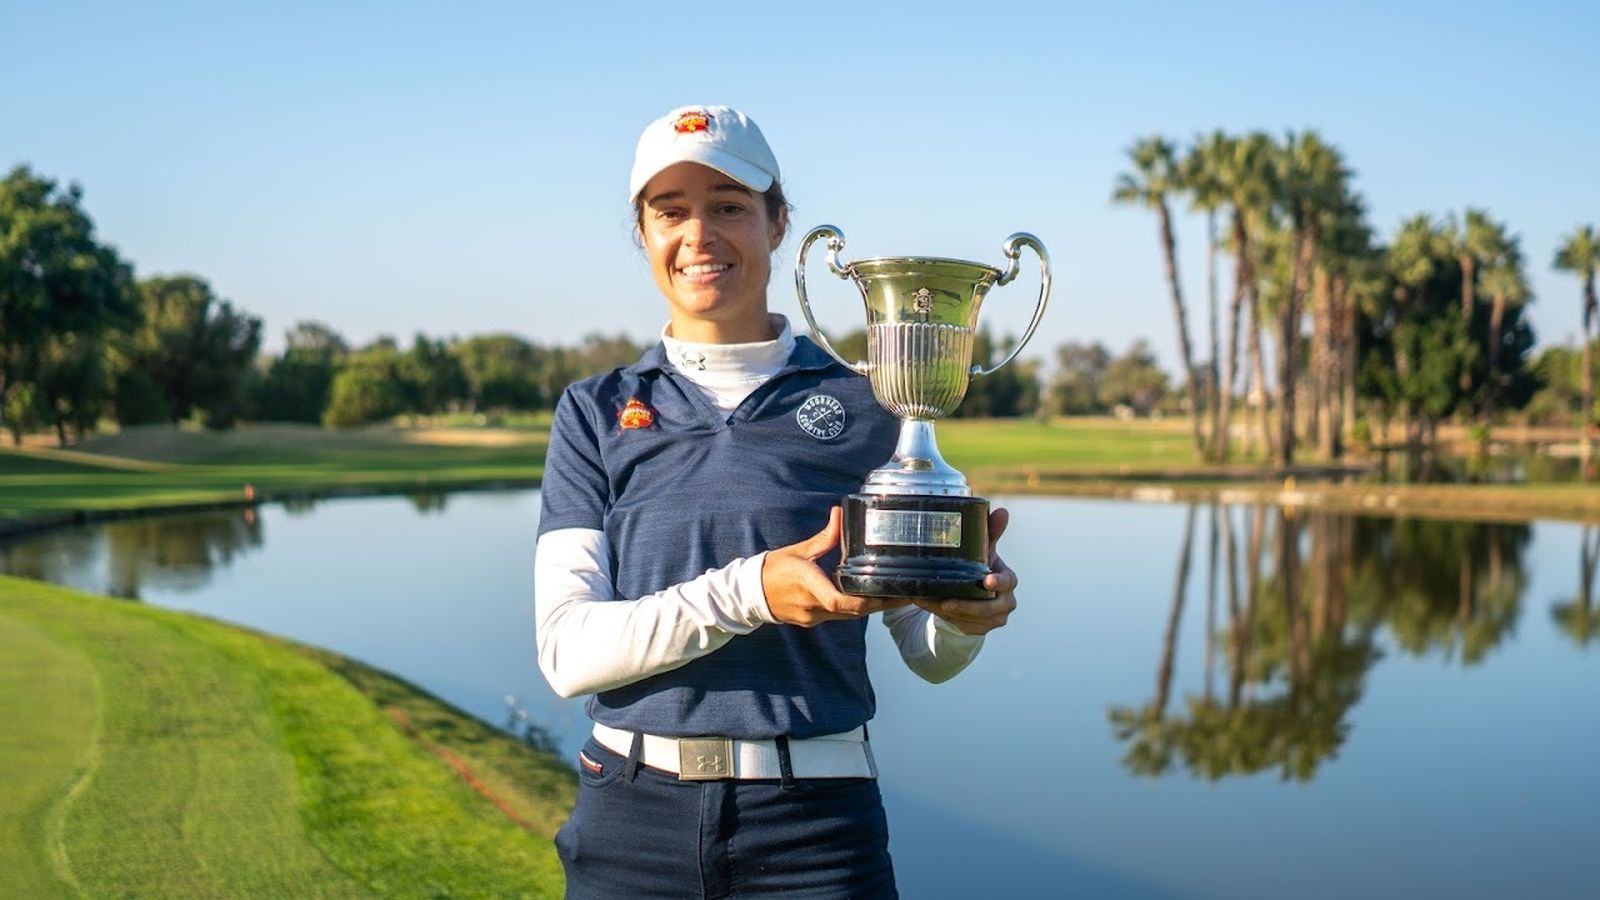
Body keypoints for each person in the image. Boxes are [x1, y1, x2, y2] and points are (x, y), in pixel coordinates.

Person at [534, 104, 1019, 899]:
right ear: (644, 233)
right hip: (629, 821)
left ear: (777, 221)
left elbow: (923, 649)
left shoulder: (868, 404)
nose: (699, 236)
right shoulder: (594, 411)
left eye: (728, 206)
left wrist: (964, 620)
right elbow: (567, 651)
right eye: (671, 212)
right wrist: (752, 591)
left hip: (817, 829)